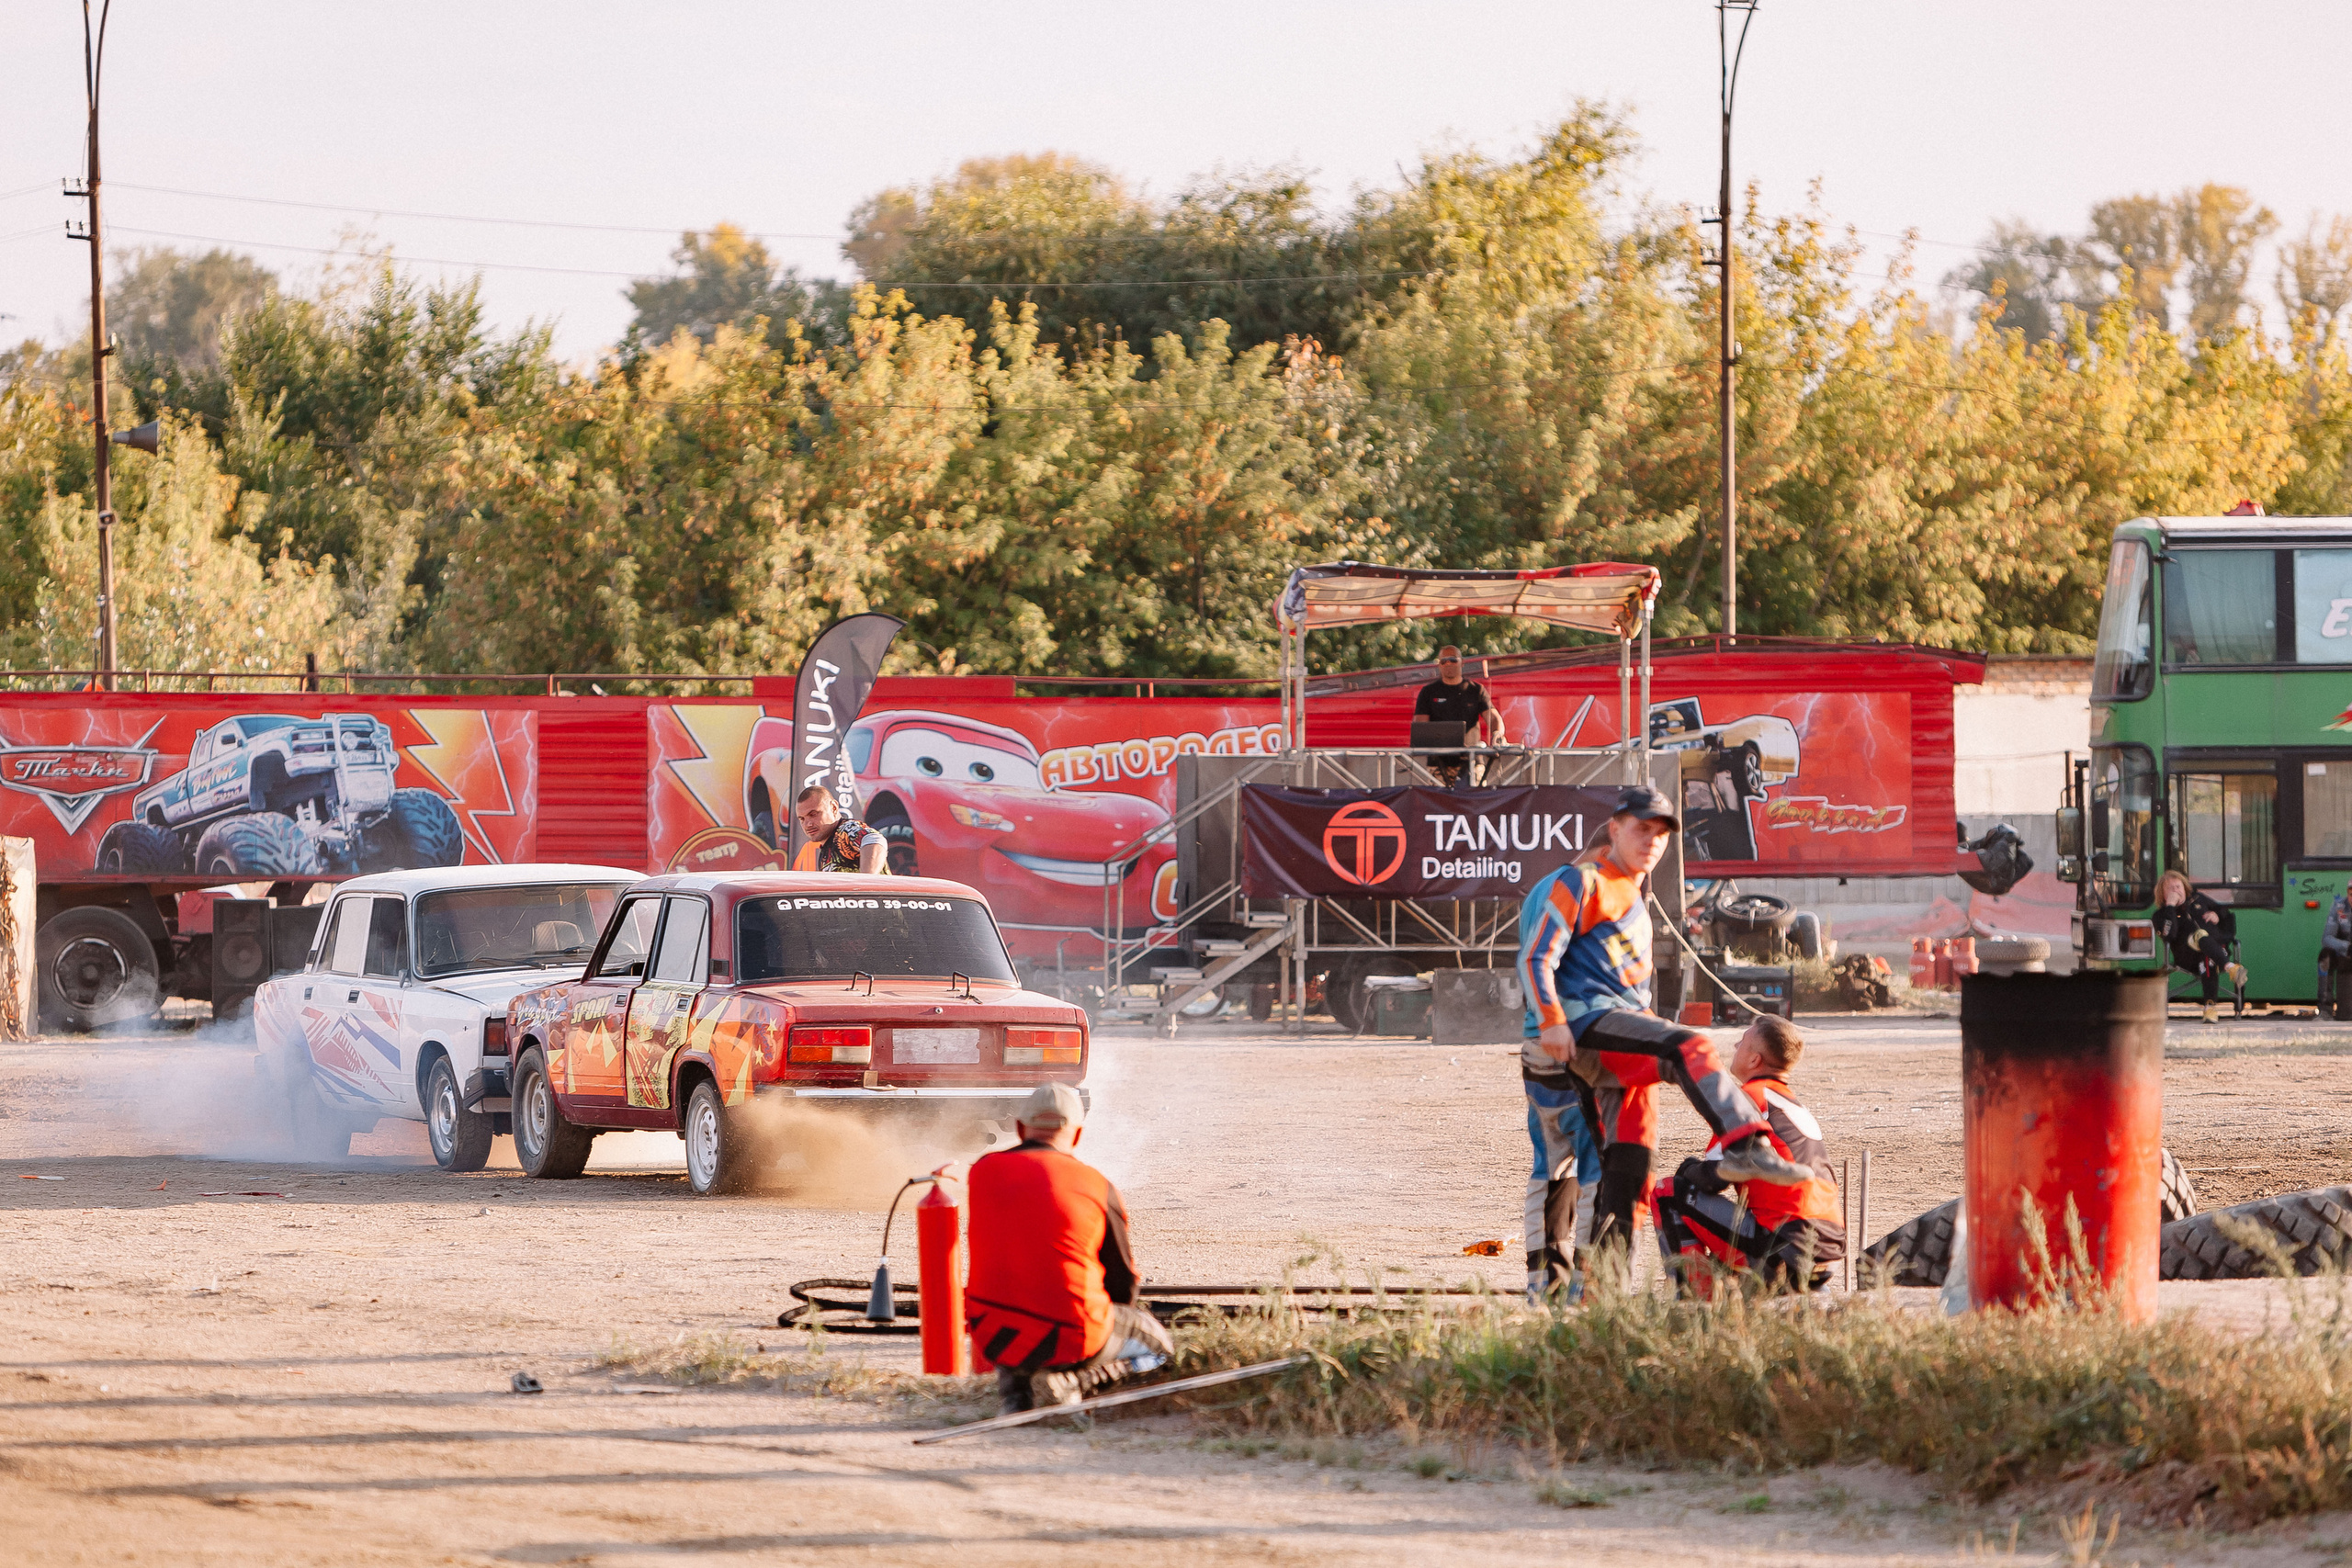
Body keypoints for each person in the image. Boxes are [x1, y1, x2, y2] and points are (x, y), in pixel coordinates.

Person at [1518, 785, 1813, 1283]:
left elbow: (1627, 987)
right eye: (1641, 831)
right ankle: (1744, 1145)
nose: (1652, 843)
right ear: (1611, 834)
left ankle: (1587, 1290)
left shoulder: (1626, 893)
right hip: (1572, 1041)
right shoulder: (1579, 882)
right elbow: (1537, 959)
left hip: (1585, 1041)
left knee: (1615, 1170)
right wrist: (1551, 1022)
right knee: (1586, 1167)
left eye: (1660, 834)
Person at [966, 1082, 1176, 1415]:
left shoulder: (981, 1172)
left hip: (991, 1337)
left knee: (1015, 1301)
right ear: (1076, 1135)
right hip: (1073, 1337)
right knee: (1161, 1349)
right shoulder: (1097, 1184)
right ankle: (1078, 1382)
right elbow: (1123, 1283)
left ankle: (1017, 1393)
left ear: (1020, 1129)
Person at [1647, 1013, 1846, 1294]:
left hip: (1787, 1249)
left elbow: (1713, 1179)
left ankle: (1692, 1304)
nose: (1734, 1048)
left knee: (1666, 1193)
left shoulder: (1748, 1099)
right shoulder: (1789, 1102)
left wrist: (1687, 1169)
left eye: (1740, 1043)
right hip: (1827, 1254)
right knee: (1725, 1236)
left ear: (1755, 1061)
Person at [2154, 868, 2242, 1023]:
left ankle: (2210, 1009)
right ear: (2163, 894)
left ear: (2185, 888)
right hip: (2187, 957)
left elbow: (2225, 914)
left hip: (2214, 953)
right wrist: (2170, 908)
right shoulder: (2160, 915)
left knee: (2207, 959)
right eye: (2170, 888)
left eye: (2178, 887)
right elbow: (2169, 934)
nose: (2175, 891)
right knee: (2200, 936)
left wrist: (2217, 916)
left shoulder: (2198, 900)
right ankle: (2231, 968)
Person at [1413, 645, 1506, 787]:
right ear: (1439, 665)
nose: (1448, 664)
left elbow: (1493, 717)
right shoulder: (1428, 692)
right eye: (1443, 661)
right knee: (1439, 806)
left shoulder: (1475, 690)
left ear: (1462, 662)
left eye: (1452, 660)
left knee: (1476, 805)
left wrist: (1497, 734)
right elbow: (1421, 727)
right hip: (1438, 763)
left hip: (1473, 762)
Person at [790, 783, 890, 874]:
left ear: (833, 808)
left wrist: (864, 885)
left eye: (813, 814)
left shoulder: (845, 830)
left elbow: (874, 840)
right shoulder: (827, 848)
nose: (808, 824)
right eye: (802, 819)